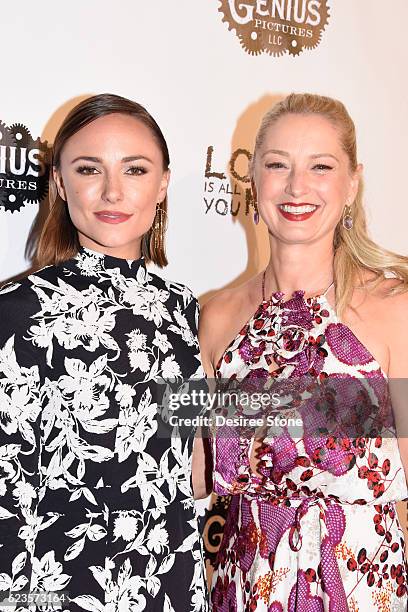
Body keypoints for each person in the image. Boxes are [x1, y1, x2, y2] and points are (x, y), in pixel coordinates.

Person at [198, 93, 408, 610]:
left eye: (320, 166)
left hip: (363, 586)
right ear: (252, 180)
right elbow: (197, 478)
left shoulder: (394, 310)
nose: (296, 187)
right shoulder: (214, 316)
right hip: (240, 586)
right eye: (277, 165)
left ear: (352, 182)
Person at [0, 94, 208, 611]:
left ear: (162, 184)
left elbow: (183, 463)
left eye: (135, 170)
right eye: (89, 169)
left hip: (172, 584)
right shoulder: (16, 312)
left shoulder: (183, 310)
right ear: (59, 182)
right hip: (57, 591)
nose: (113, 191)